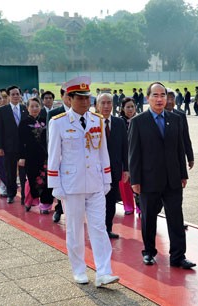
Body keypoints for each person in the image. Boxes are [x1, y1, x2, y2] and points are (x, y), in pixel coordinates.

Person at [47, 76, 119, 287]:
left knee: (99, 228)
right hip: (71, 185)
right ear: (69, 99)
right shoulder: (58, 123)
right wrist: (56, 185)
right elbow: (54, 156)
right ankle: (79, 270)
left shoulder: (97, 120)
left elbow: (102, 152)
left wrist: (107, 179)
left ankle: (104, 272)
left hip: (95, 183)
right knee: (75, 230)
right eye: (80, 98)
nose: (85, 102)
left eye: (87, 98)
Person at [128, 81, 196, 269]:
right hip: (148, 180)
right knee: (149, 218)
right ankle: (149, 252)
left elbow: (179, 148)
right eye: (155, 95)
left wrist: (183, 174)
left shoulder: (175, 119)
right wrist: (135, 180)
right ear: (147, 98)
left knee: (176, 218)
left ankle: (178, 256)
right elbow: (133, 154)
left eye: (163, 95)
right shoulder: (138, 122)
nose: (160, 99)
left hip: (173, 179)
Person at [96, 93, 129, 239]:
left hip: (114, 171)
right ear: (97, 106)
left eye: (109, 103)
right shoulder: (91, 123)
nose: (106, 106)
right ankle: (97, 229)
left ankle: (108, 228)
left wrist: (126, 169)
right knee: (96, 203)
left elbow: (125, 147)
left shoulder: (119, 123)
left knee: (111, 202)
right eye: (102, 103)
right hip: (96, 172)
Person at [19, 97, 54, 214]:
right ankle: (29, 201)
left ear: (40, 107)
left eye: (37, 106)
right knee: (32, 179)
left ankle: (45, 205)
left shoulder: (46, 120)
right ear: (27, 108)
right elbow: (20, 142)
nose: (34, 109)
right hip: (30, 157)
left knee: (46, 180)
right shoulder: (23, 123)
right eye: (32, 106)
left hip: (45, 157)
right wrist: (21, 157)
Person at [0, 85, 29, 204]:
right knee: (10, 172)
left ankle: (25, 196)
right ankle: (11, 193)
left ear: (20, 95)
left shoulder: (25, 109)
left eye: (17, 94)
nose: (15, 96)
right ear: (9, 96)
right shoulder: (1, 111)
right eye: (13, 94)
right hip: (8, 147)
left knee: (24, 172)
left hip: (24, 147)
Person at [46, 87, 72, 223]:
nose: (70, 98)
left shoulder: (83, 113)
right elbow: (50, 138)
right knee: (60, 191)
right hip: (60, 159)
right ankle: (58, 211)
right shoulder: (54, 114)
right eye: (68, 95)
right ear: (62, 96)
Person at [119, 98, 139, 215]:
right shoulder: (119, 122)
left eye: (132, 106)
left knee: (138, 182)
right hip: (124, 157)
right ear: (122, 109)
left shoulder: (140, 120)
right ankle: (128, 206)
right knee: (125, 182)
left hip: (137, 156)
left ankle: (140, 206)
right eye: (128, 107)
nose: (130, 109)